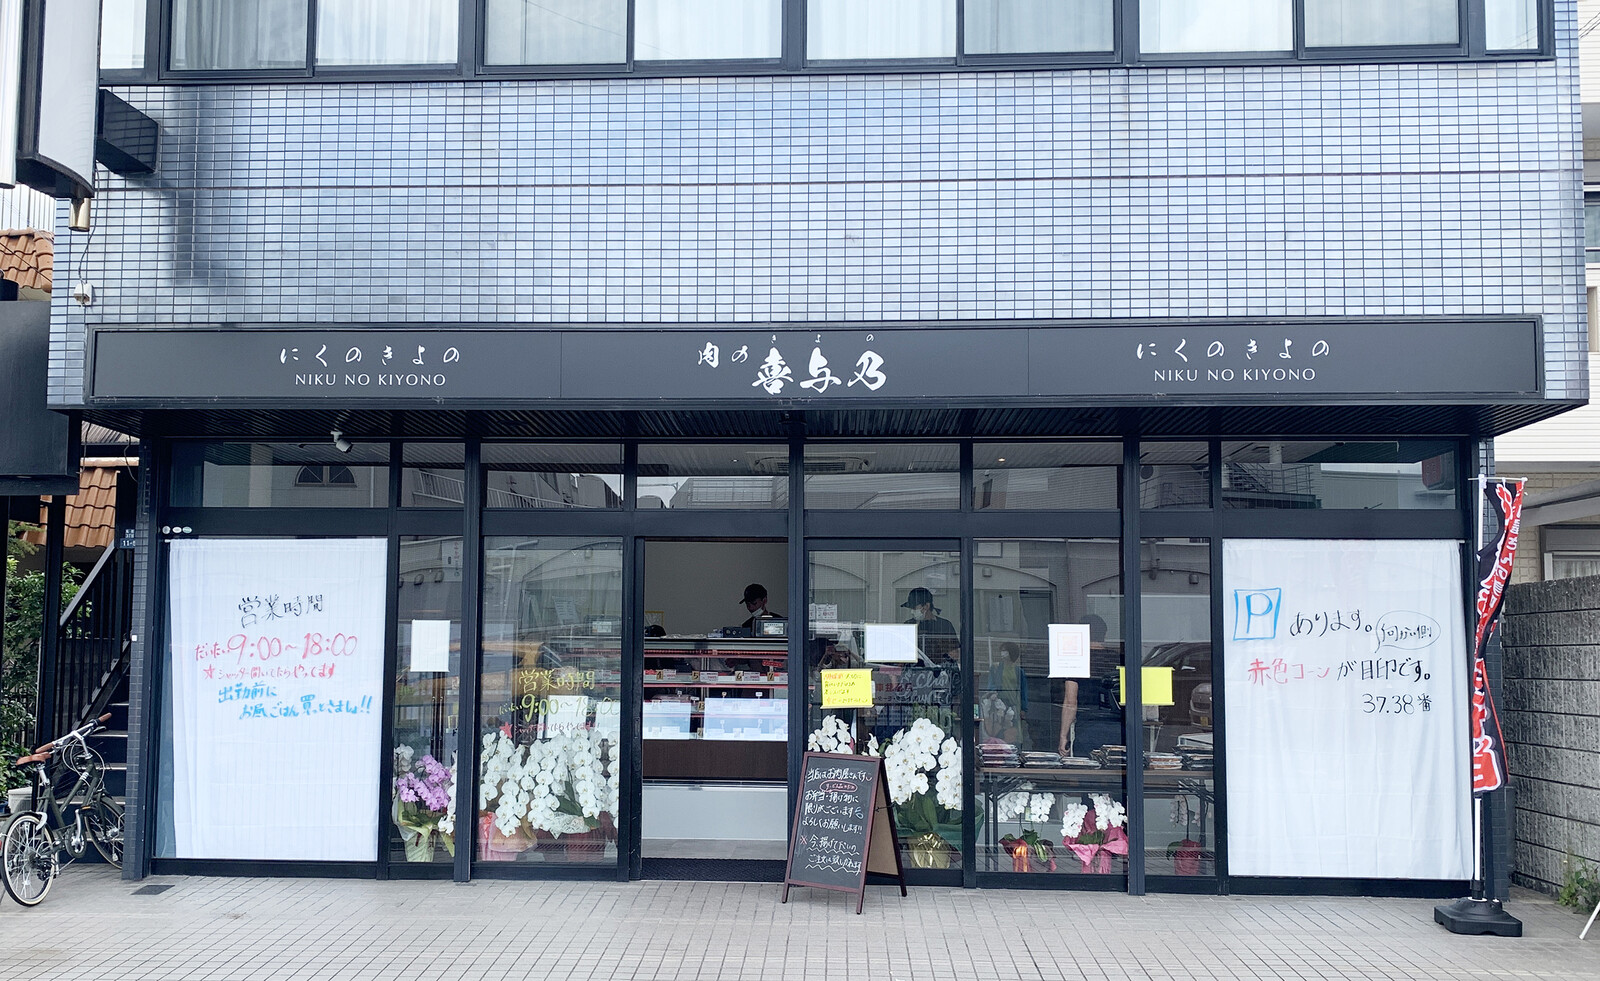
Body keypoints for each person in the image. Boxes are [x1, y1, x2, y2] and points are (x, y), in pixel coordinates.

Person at [1058, 614, 1122, 758]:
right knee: (1115, 768)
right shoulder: (1116, 659)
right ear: (1104, 634)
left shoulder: (1076, 660)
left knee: (1087, 768)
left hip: (1087, 725)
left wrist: (1063, 736)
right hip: (1117, 725)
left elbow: (1070, 701)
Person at [901, 586, 958, 664]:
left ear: (926, 606)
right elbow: (902, 652)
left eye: (914, 608)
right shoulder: (909, 625)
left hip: (938, 668)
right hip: (914, 669)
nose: (912, 611)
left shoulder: (944, 625)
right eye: (911, 608)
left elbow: (954, 655)